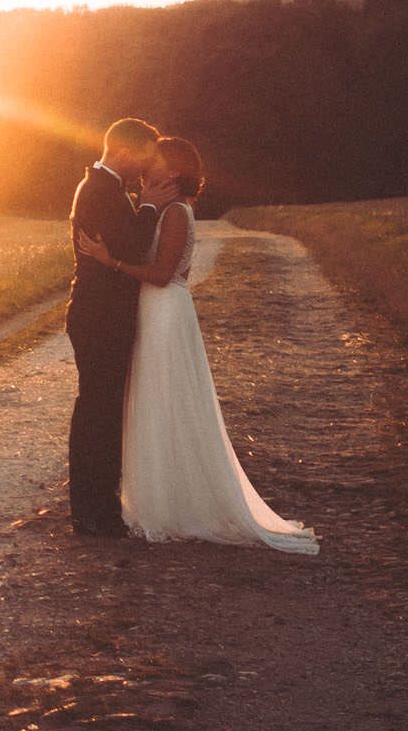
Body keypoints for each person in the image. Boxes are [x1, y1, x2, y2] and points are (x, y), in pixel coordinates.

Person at [77, 136, 319, 553]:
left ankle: (173, 505)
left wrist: (109, 261)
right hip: (154, 311)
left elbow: (161, 273)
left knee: (167, 402)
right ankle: (155, 499)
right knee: (153, 402)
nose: (147, 164)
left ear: (172, 172)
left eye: (155, 160)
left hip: (165, 312)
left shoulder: (175, 213)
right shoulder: (162, 207)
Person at [64, 118, 170, 537]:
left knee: (103, 411)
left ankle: (97, 506)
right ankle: (92, 513)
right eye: (144, 156)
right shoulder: (98, 190)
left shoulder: (108, 188)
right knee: (97, 412)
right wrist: (149, 207)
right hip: (97, 316)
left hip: (103, 314)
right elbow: (130, 246)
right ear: (125, 152)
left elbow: (121, 246)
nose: (146, 166)